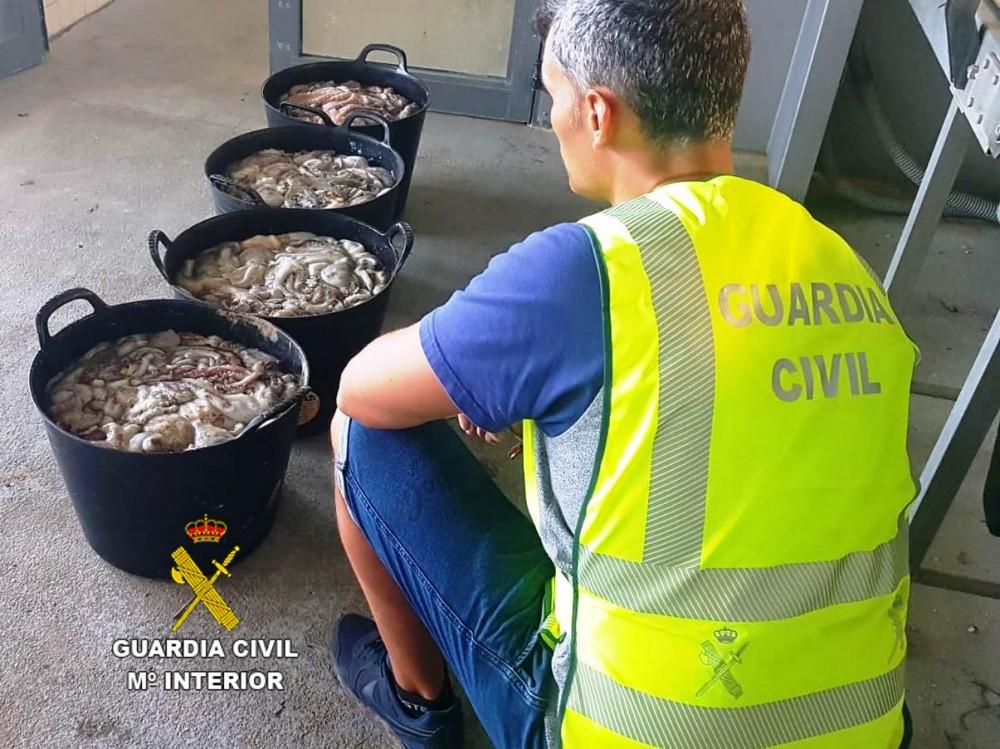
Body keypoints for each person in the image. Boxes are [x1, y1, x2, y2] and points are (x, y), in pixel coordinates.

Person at [329, 1, 918, 747]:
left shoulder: (588, 271)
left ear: (598, 114)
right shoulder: (843, 264)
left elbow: (362, 387)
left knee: (361, 434)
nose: (554, 120)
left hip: (617, 731)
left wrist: (482, 365)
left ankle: (417, 701)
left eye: (554, 96)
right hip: (865, 730)